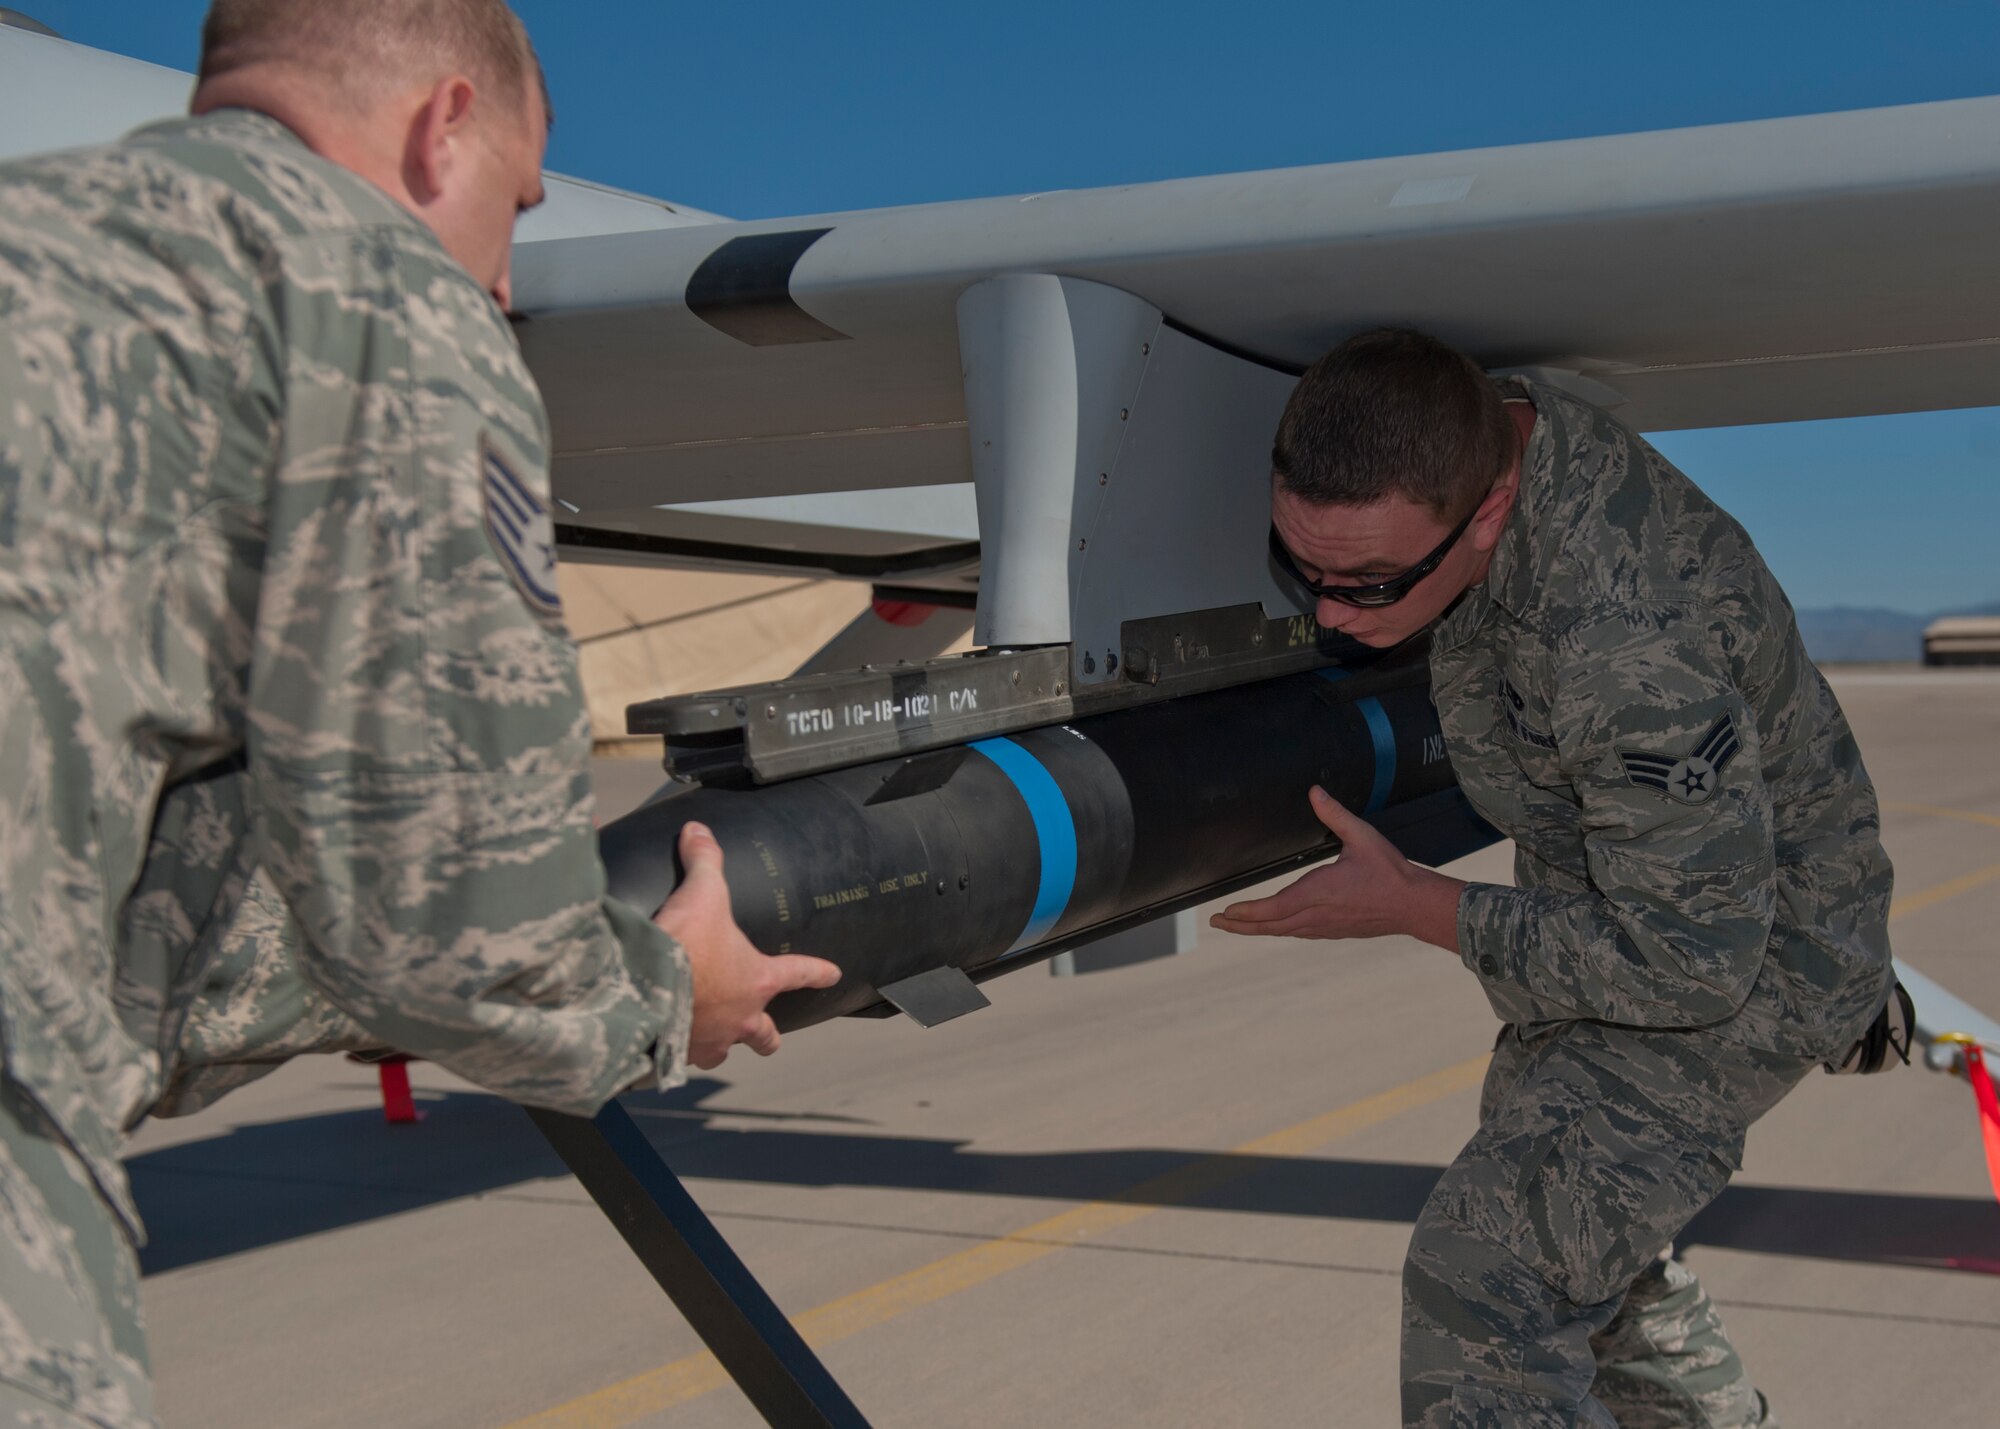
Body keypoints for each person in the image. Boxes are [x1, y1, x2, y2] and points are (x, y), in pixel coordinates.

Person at [0, 3, 839, 1425]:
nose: (503, 288)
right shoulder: (370, 296)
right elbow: (460, 931)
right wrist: (660, 993)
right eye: (514, 210)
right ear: (441, 125)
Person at [1214, 329, 1897, 1426]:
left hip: (1751, 956)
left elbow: (1687, 963)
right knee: (1589, 1247)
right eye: (1305, 567)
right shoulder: (1476, 442)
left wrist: (1412, 905)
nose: (1329, 613)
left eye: (1368, 582)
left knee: (1487, 1271)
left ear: (1486, 514)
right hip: (1622, 908)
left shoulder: (1624, 646)